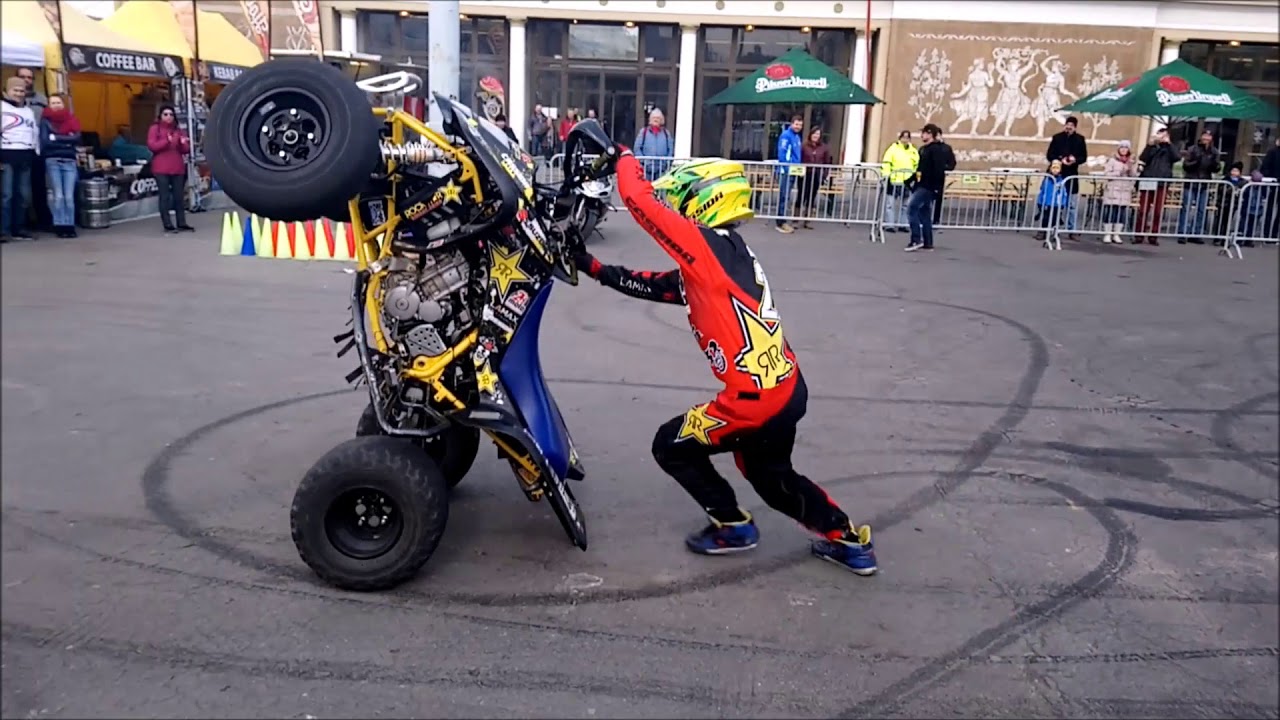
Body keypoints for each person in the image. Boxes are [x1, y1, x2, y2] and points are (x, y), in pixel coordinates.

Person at [569, 145, 877, 575]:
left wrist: (622, 154)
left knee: (670, 444)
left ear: (702, 199)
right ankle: (847, 540)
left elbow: (640, 202)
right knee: (770, 476)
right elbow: (655, 286)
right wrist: (591, 265)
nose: (676, 209)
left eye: (681, 200)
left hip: (753, 400)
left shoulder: (708, 248)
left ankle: (732, 525)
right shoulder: (726, 256)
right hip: (786, 389)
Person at [905, 123, 955, 252]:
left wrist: (937, 188)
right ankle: (928, 242)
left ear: (930, 134)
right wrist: (910, 179)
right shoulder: (923, 149)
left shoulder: (936, 150)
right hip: (921, 184)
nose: (922, 135)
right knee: (924, 213)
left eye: (925, 133)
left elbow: (939, 169)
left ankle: (916, 239)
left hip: (928, 186)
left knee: (912, 208)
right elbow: (920, 169)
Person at [39, 93, 82, 238]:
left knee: (69, 196)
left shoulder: (72, 119)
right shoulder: (45, 121)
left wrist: (56, 137)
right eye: (53, 102)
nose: (56, 105)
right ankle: (59, 225)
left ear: (63, 104)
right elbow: (45, 142)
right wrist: (67, 139)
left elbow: (77, 138)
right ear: (49, 105)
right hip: (52, 160)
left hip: (69, 160)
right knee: (58, 195)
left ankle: (69, 226)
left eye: (58, 102)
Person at [1, 76, 39, 242]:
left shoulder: (28, 111)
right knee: (6, 195)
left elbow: (34, 133)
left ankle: (19, 229)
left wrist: (35, 151)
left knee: (23, 196)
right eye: (15, 90)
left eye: (21, 91)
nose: (18, 93)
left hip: (25, 156)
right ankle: (3, 230)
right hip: (6, 155)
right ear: (6, 91)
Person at [146, 105, 194, 235]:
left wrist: (184, 143)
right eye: (165, 114)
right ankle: (167, 224)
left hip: (177, 167)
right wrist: (166, 141)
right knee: (165, 196)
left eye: (171, 114)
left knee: (179, 197)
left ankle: (181, 223)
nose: (168, 117)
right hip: (161, 167)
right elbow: (152, 146)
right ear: (160, 116)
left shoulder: (178, 130)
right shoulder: (155, 129)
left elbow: (185, 150)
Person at [1045, 116, 1087, 240]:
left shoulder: (1080, 140)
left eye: (1071, 125)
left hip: (1072, 176)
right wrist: (1059, 159)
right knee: (1054, 204)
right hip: (1057, 176)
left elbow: (1083, 157)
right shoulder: (1057, 138)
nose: (1069, 127)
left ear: (1075, 127)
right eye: (1067, 124)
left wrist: (1074, 160)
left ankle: (1072, 230)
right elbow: (1049, 155)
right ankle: (1050, 229)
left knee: (1072, 205)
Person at [1133, 127, 1178, 246]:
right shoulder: (1152, 146)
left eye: (1163, 135)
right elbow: (1143, 158)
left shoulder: (1169, 148)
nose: (1161, 138)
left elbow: (1177, 157)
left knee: (1158, 211)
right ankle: (1139, 234)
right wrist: (1150, 145)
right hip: (1148, 178)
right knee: (1143, 210)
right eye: (1159, 135)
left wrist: (1169, 144)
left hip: (1162, 181)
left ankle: (1153, 235)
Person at [1176, 130, 1220, 245]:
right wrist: (1196, 161)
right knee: (1186, 208)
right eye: (1205, 135)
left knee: (1201, 210)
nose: (1206, 138)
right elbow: (1185, 166)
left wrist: (1214, 165)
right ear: (1201, 137)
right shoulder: (1192, 149)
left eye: (1208, 136)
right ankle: (1183, 233)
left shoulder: (1214, 151)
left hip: (1204, 183)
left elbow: (1217, 168)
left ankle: (1196, 232)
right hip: (1191, 181)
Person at [1099, 140, 1139, 244]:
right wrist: (1118, 172)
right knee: (1111, 211)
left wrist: (1130, 169)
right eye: (1122, 147)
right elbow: (1107, 174)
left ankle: (1116, 234)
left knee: (1121, 213)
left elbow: (1134, 175)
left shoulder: (1132, 161)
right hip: (1113, 188)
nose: (1124, 150)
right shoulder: (1112, 160)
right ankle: (1107, 234)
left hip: (1124, 189)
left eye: (1126, 148)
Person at [880, 130, 919, 234]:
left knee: (906, 204)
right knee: (890, 204)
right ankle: (889, 224)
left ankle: (903, 224)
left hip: (907, 181)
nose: (905, 140)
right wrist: (886, 175)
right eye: (903, 137)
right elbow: (887, 163)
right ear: (900, 138)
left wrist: (915, 178)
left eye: (907, 138)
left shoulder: (913, 151)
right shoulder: (893, 149)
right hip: (894, 180)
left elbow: (916, 165)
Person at [795, 125, 832, 229]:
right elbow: (799, 159)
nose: (816, 136)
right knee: (801, 195)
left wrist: (824, 175)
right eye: (814, 134)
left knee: (812, 197)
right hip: (804, 174)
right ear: (811, 134)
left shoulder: (824, 148)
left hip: (816, 175)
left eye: (818, 134)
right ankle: (796, 219)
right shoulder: (804, 146)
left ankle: (807, 220)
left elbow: (827, 162)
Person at [774, 115, 804, 234]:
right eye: (796, 124)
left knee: (787, 196)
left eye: (800, 125)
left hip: (793, 171)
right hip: (786, 171)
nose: (798, 127)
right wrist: (787, 169)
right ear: (792, 124)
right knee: (784, 196)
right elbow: (783, 154)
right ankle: (781, 222)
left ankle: (783, 220)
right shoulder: (786, 136)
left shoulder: (796, 137)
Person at [633, 108, 674, 181]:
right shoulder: (644, 132)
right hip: (646, 169)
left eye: (658, 118)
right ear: (650, 120)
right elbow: (637, 148)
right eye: (654, 118)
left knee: (661, 191)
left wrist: (665, 164)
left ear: (661, 120)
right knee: (646, 190)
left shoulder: (666, 133)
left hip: (661, 169)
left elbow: (670, 149)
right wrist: (643, 162)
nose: (656, 120)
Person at [1033, 159, 1068, 242]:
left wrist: (1063, 203)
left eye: (1057, 168)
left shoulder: (1062, 181)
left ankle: (1054, 234)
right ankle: (1043, 232)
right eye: (1053, 168)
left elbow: (1064, 193)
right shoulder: (1046, 180)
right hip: (1047, 203)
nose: (1055, 170)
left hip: (1056, 204)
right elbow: (1042, 191)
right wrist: (1040, 202)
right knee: (1045, 218)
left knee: (1055, 219)